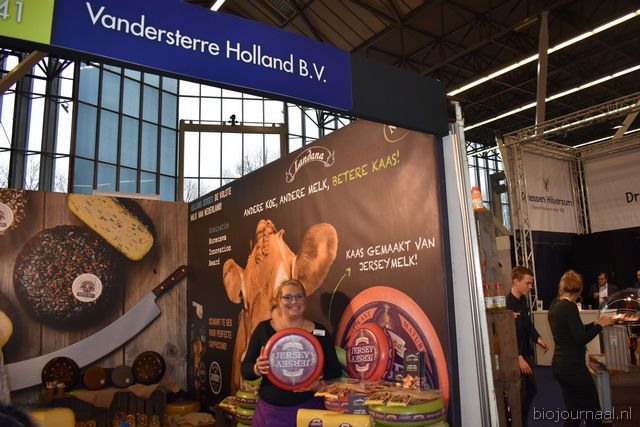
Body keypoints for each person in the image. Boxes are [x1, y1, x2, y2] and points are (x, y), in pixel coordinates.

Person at [241, 279, 341, 426]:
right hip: (271, 413)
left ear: (305, 300)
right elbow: (245, 370)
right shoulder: (264, 329)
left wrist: (319, 385)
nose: (294, 301)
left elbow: (334, 372)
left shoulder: (320, 331)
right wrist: (257, 368)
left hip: (310, 411)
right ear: (278, 301)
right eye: (287, 297)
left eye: (299, 296)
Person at [548, 270, 614, 426]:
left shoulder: (555, 304)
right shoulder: (570, 306)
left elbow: (574, 331)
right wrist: (599, 326)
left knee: (574, 412)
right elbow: (580, 338)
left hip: (560, 366)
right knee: (593, 412)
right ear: (579, 289)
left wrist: (596, 324)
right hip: (573, 368)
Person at [506, 266, 548, 427]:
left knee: (530, 392)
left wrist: (538, 338)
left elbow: (527, 324)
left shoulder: (523, 300)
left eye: (531, 283)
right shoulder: (507, 303)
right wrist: (518, 357)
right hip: (516, 357)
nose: (530, 287)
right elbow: (507, 337)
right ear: (516, 281)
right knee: (520, 396)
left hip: (525, 353)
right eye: (527, 283)